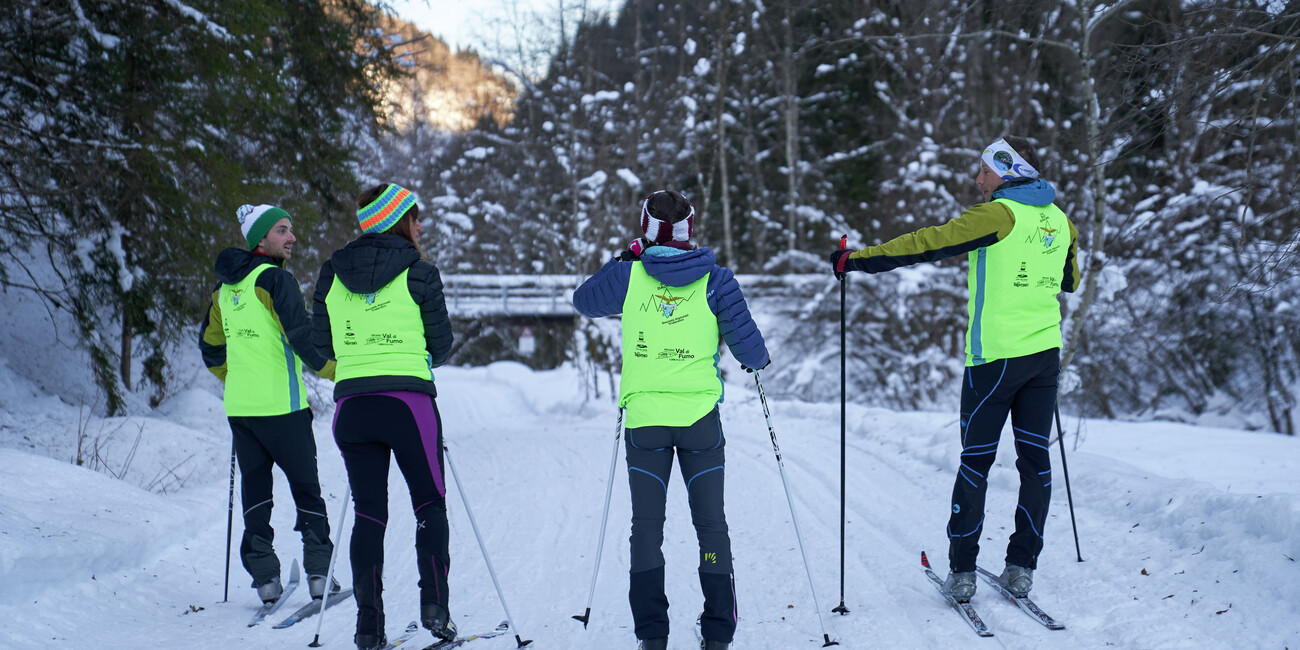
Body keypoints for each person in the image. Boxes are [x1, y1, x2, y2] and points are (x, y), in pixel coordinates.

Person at [829, 136, 1081, 603]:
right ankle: (1022, 567)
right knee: (1035, 463)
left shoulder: (997, 215)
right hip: (1044, 356)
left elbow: (927, 244)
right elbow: (1069, 280)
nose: (978, 179)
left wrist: (856, 260)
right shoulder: (1061, 220)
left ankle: (962, 573)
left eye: (984, 171)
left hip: (994, 361)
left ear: (1007, 171)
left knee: (976, 463)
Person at [574, 190, 770, 650]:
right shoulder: (718, 281)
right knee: (711, 525)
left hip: (646, 421)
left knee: (646, 527)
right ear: (690, 229)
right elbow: (754, 354)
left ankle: (653, 637)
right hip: (699, 418)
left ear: (645, 228)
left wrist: (626, 257)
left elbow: (584, 300)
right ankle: (718, 633)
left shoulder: (629, 275)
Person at [312, 183, 455, 650]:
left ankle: (368, 626)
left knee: (369, 516)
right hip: (408, 404)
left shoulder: (331, 273)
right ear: (398, 221)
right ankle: (435, 608)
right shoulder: (420, 272)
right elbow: (442, 345)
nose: (420, 227)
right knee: (429, 504)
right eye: (415, 219)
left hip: (353, 408)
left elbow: (323, 346)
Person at [199, 203, 339, 606]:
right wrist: (340, 372)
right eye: (282, 230)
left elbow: (210, 350)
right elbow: (303, 339)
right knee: (307, 492)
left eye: (290, 230)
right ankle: (318, 575)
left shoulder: (224, 290)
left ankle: (265, 581)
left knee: (256, 494)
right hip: (284, 409)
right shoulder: (276, 281)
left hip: (242, 411)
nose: (292, 237)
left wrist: (238, 378)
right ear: (261, 239)